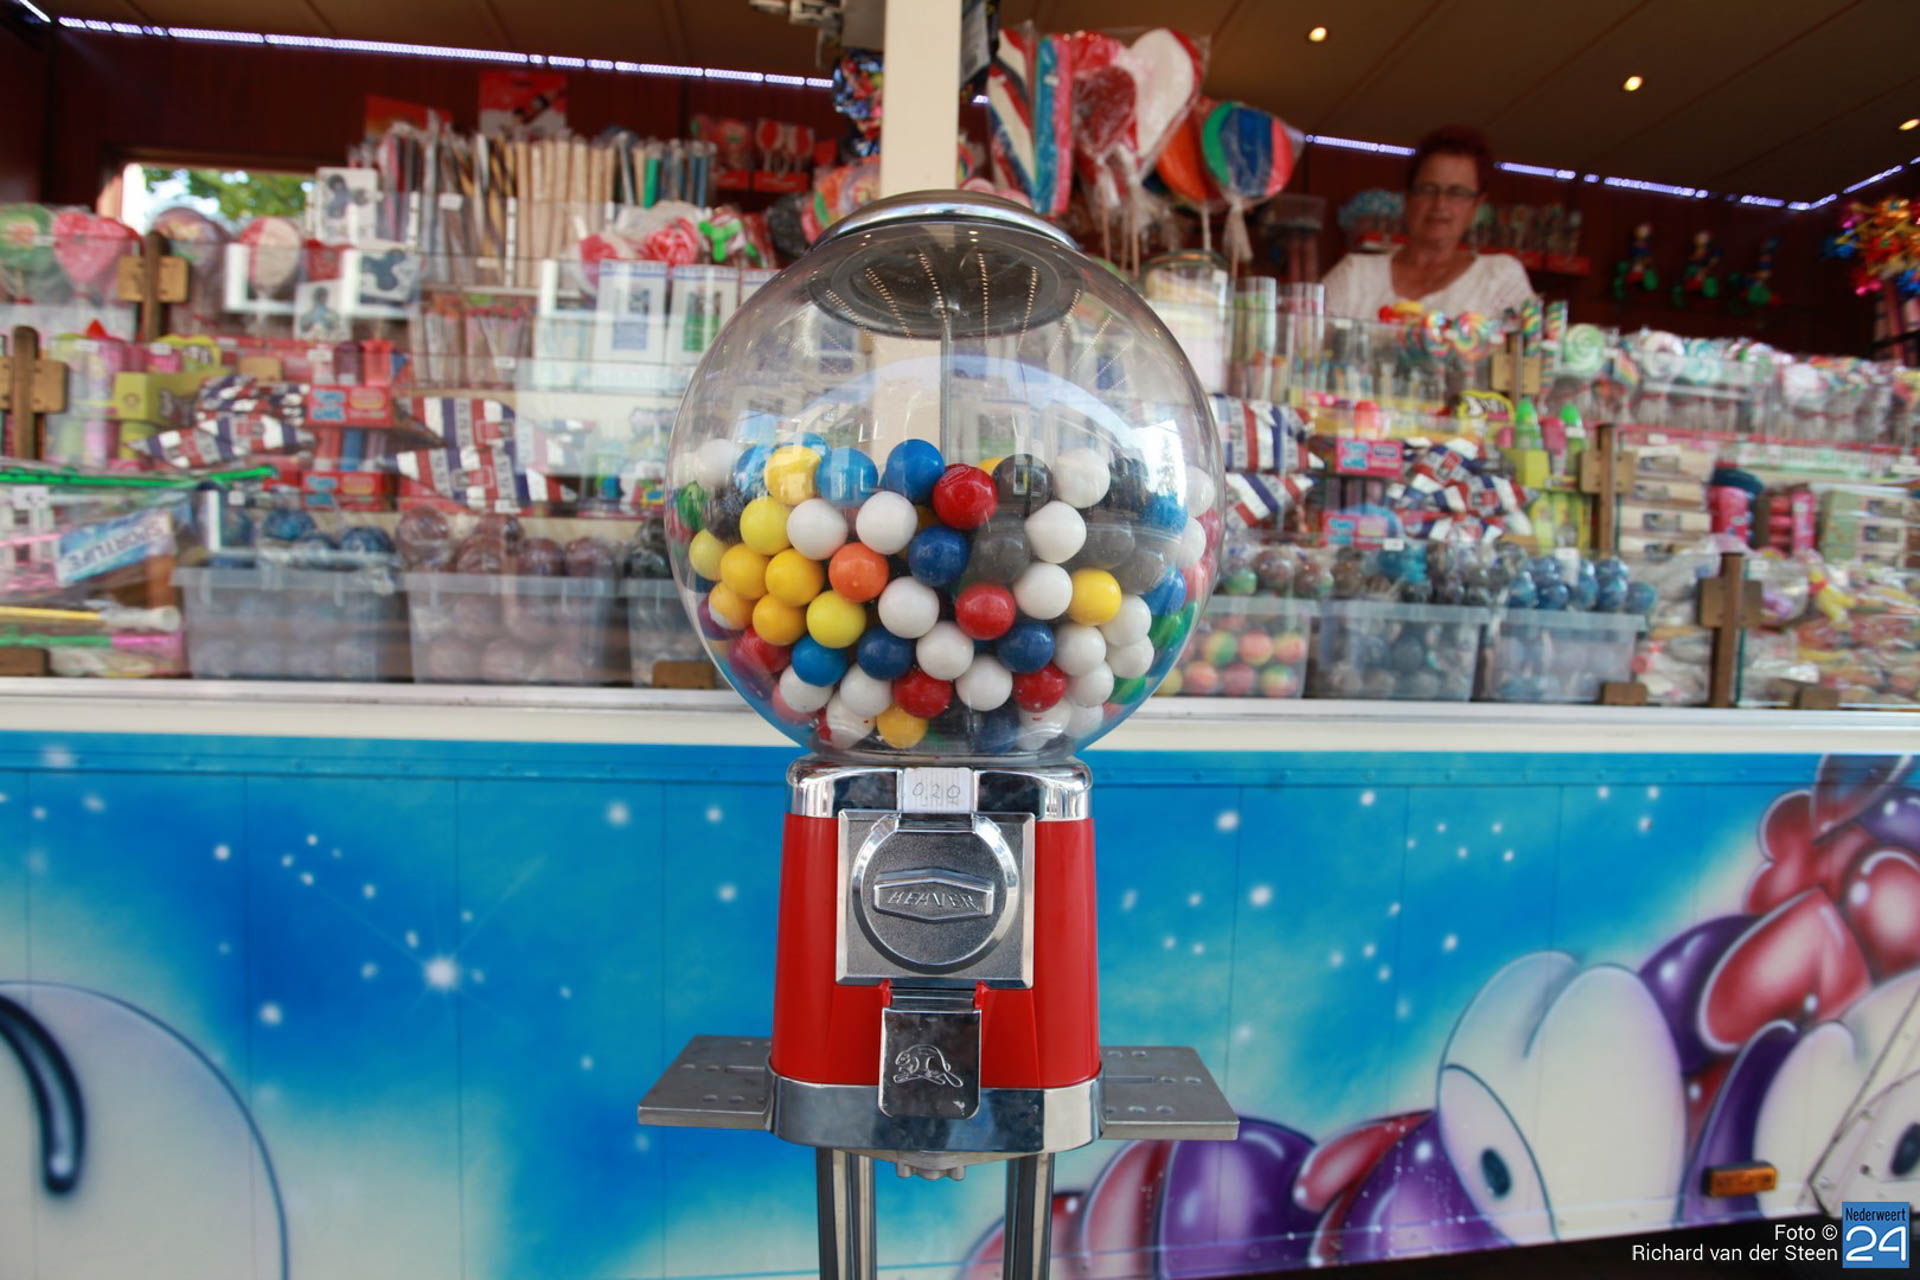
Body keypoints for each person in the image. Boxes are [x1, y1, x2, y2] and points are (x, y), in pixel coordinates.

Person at [1321, 125, 1534, 320]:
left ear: (1476, 205)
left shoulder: (1499, 279)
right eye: (1428, 189)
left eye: (1457, 192)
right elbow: (1308, 338)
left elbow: (1529, 345)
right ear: (1408, 198)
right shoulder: (1354, 275)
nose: (1440, 204)